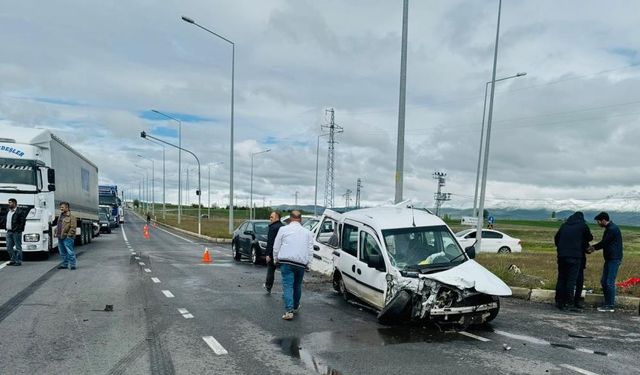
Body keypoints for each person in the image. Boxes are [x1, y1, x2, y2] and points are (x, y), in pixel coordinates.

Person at [273, 210, 313, 320]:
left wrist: (275, 259)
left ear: (290, 219)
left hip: (286, 262)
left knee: (288, 285)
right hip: (300, 263)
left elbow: (276, 246)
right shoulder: (307, 232)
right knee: (297, 285)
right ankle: (295, 306)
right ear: (300, 219)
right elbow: (310, 249)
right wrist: (309, 263)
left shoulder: (283, 229)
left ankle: (289, 310)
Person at [554, 211, 593, 311]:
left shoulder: (564, 225)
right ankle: (569, 303)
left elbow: (556, 238)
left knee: (561, 278)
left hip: (562, 256)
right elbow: (589, 237)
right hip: (575, 257)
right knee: (571, 280)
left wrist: (562, 249)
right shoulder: (583, 226)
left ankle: (559, 301)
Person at [588, 212, 623, 312]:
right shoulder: (610, 228)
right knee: (604, 281)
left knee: (609, 282)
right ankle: (607, 303)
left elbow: (604, 243)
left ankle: (610, 305)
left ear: (603, 220)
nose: (598, 223)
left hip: (614, 259)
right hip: (609, 259)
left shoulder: (612, 229)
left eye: (598, 221)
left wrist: (592, 248)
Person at [0, 198, 27, 266]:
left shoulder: (19, 211)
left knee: (18, 247)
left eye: (10, 202)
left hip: (16, 232)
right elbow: (5, 220)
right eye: (9, 202)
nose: (9, 204)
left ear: (14, 203)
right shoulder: (8, 211)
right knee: (9, 247)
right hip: (9, 232)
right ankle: (13, 260)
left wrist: (19, 230)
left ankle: (18, 261)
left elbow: (22, 222)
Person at [263, 211, 284, 294]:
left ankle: (268, 286)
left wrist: (268, 254)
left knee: (271, 270)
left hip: (273, 253)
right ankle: (285, 289)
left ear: (277, 217)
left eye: (272, 217)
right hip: (283, 253)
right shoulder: (283, 227)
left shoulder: (273, 227)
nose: (270, 219)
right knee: (284, 272)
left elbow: (270, 242)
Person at [53, 202, 77, 270]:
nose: (61, 208)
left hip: (67, 237)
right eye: (60, 207)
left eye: (62, 207)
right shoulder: (60, 216)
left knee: (70, 251)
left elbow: (73, 227)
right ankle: (65, 264)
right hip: (60, 237)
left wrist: (69, 235)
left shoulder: (72, 217)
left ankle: (73, 265)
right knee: (62, 252)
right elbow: (59, 226)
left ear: (67, 208)